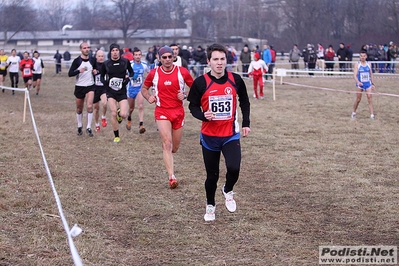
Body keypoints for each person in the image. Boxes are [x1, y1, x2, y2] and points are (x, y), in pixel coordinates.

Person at [187, 43, 251, 222]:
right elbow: (192, 106)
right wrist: (203, 115)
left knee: (234, 168)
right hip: (209, 137)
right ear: (208, 61)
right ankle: (210, 205)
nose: (219, 63)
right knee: (212, 175)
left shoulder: (236, 80)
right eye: (215, 59)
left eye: (222, 59)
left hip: (230, 134)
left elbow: (245, 102)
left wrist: (246, 123)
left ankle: (228, 189)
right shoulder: (201, 82)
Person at [141, 46, 194, 189]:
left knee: (174, 148)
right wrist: (149, 97)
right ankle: (171, 177)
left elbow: (195, 87)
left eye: (169, 57)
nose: (167, 60)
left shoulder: (182, 72)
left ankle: (167, 150)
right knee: (167, 144)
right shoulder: (154, 73)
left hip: (178, 112)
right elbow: (144, 88)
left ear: (174, 57)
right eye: (164, 57)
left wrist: (186, 95)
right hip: (162, 111)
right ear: (159, 59)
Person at [100, 43, 134, 143]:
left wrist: (127, 79)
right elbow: (102, 76)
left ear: (119, 51)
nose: (115, 52)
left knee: (124, 115)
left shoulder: (125, 62)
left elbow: (131, 73)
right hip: (110, 91)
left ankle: (120, 113)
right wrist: (105, 83)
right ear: (110, 52)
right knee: (113, 113)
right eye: (113, 51)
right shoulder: (106, 64)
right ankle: (117, 136)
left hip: (122, 91)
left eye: (116, 50)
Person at [68, 42, 97, 137]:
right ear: (81, 49)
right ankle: (79, 125)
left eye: (88, 47)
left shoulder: (93, 60)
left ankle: (88, 127)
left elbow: (97, 69)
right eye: (84, 48)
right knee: (79, 108)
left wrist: (96, 71)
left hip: (90, 86)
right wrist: (78, 71)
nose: (87, 49)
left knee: (89, 106)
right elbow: (70, 73)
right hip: (79, 86)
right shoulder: (77, 61)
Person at [126, 48, 149, 133]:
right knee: (131, 108)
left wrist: (147, 81)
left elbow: (149, 74)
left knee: (140, 106)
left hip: (140, 89)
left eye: (139, 55)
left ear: (141, 55)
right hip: (131, 89)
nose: (138, 56)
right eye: (136, 55)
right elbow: (124, 73)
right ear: (133, 56)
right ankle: (129, 118)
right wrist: (128, 77)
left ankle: (141, 124)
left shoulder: (144, 65)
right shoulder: (130, 65)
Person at [351, 50, 375, 119]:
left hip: (368, 84)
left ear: (366, 56)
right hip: (360, 84)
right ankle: (354, 112)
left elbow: (371, 74)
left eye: (364, 56)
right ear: (359, 56)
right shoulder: (357, 64)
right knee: (358, 99)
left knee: (369, 98)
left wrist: (372, 83)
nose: (363, 57)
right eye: (361, 56)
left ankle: (372, 115)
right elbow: (355, 75)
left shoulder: (369, 64)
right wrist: (358, 82)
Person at [92, 49, 108, 132]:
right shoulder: (93, 65)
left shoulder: (106, 65)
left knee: (105, 103)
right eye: (99, 56)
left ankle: (104, 117)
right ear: (96, 57)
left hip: (103, 88)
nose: (101, 58)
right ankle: (97, 124)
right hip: (95, 88)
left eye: (102, 56)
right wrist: (92, 72)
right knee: (96, 108)